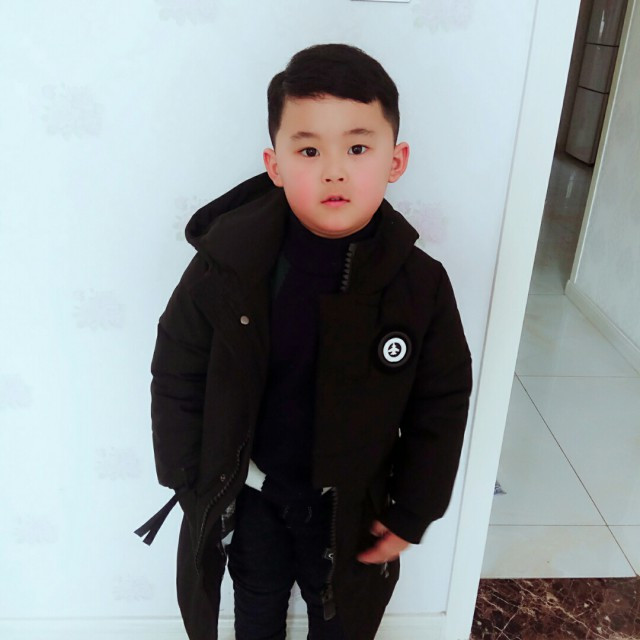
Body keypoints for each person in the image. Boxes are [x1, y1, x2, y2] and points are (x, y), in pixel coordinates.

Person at [135, 43, 473, 640]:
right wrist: (188, 477)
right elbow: (177, 367)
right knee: (255, 606)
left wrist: (413, 508)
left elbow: (440, 403)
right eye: (309, 150)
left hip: (352, 508)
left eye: (358, 148)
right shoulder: (227, 267)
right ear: (275, 164)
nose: (334, 170)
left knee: (341, 619)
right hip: (253, 495)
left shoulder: (420, 285)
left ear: (396, 160)